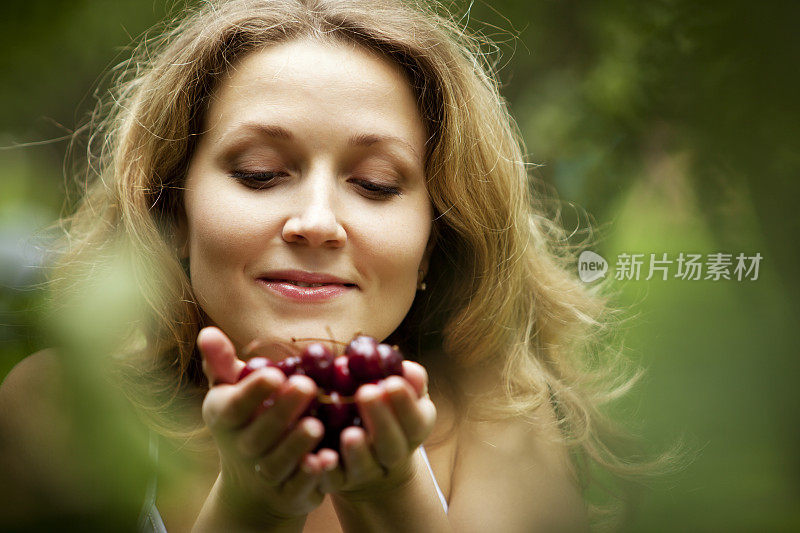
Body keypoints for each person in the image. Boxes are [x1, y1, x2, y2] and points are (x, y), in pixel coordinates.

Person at [0, 0, 646, 531]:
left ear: (436, 239)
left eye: (375, 184)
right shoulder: (57, 410)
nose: (316, 220)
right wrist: (253, 512)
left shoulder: (502, 416)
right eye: (259, 174)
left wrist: (391, 501)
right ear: (173, 212)